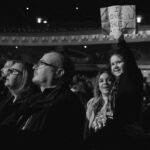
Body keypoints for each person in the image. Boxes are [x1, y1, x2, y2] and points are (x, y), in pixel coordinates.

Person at [15, 51, 85, 150]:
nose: (34, 67)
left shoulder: (67, 102)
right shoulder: (35, 99)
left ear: (59, 72)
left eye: (41, 64)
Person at [108, 35, 146, 149]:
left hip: (130, 134)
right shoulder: (116, 83)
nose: (115, 66)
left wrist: (121, 42)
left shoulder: (132, 77)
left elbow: (130, 63)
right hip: (117, 134)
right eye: (112, 64)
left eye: (119, 62)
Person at [84, 67, 115, 149]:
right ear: (98, 85)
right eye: (101, 81)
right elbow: (86, 130)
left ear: (114, 83)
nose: (105, 83)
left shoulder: (119, 103)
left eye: (109, 80)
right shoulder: (91, 103)